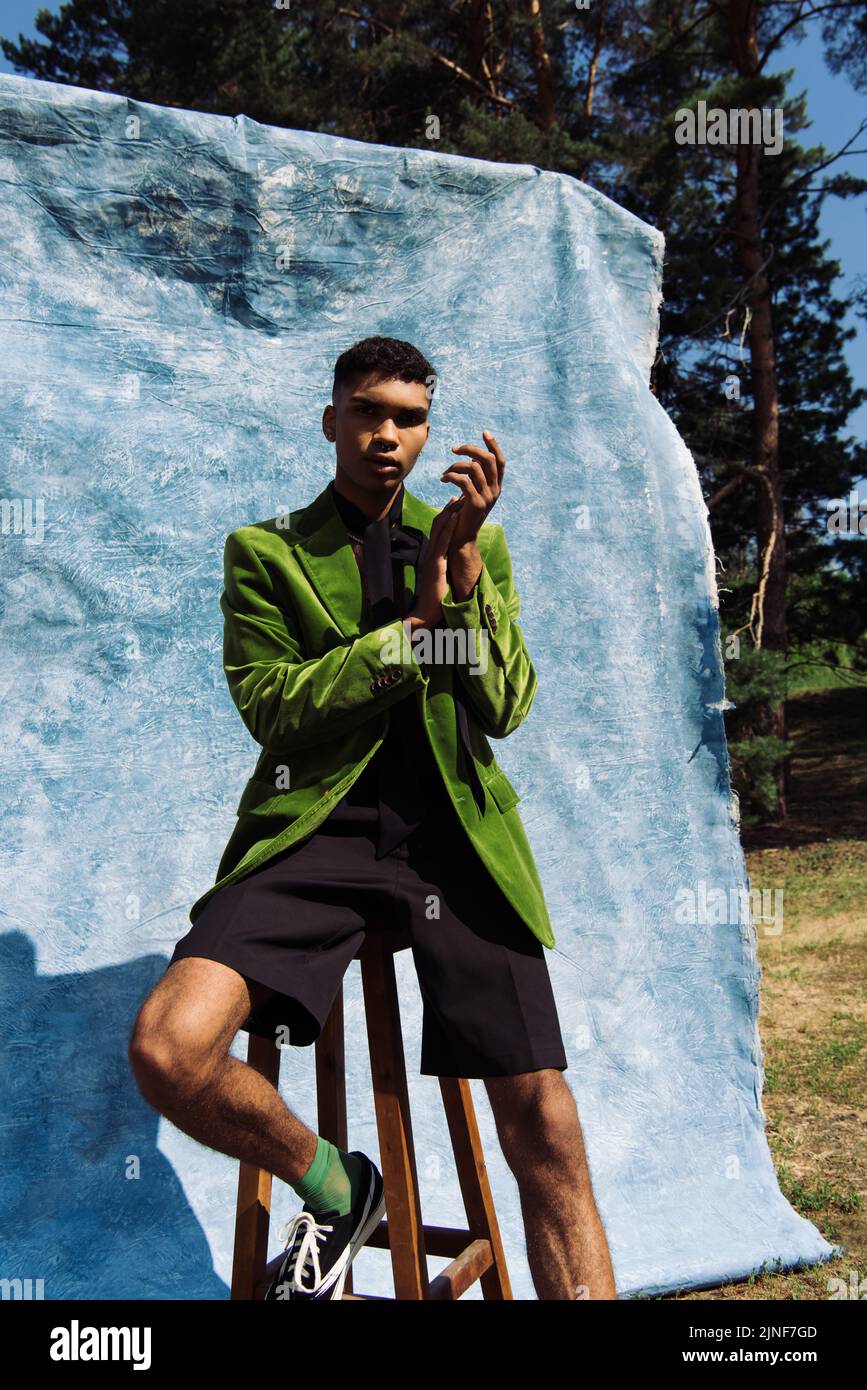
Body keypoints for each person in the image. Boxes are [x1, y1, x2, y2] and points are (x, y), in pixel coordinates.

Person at [128, 335, 616, 1301]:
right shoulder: (265, 552)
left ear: (428, 430)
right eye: (367, 411)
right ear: (331, 422)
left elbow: (507, 709)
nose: (387, 433)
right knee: (167, 1047)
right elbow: (274, 707)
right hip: (314, 835)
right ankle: (339, 1185)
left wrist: (467, 575)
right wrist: (412, 637)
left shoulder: (470, 540)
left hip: (454, 841)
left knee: (546, 1123)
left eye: (408, 417)